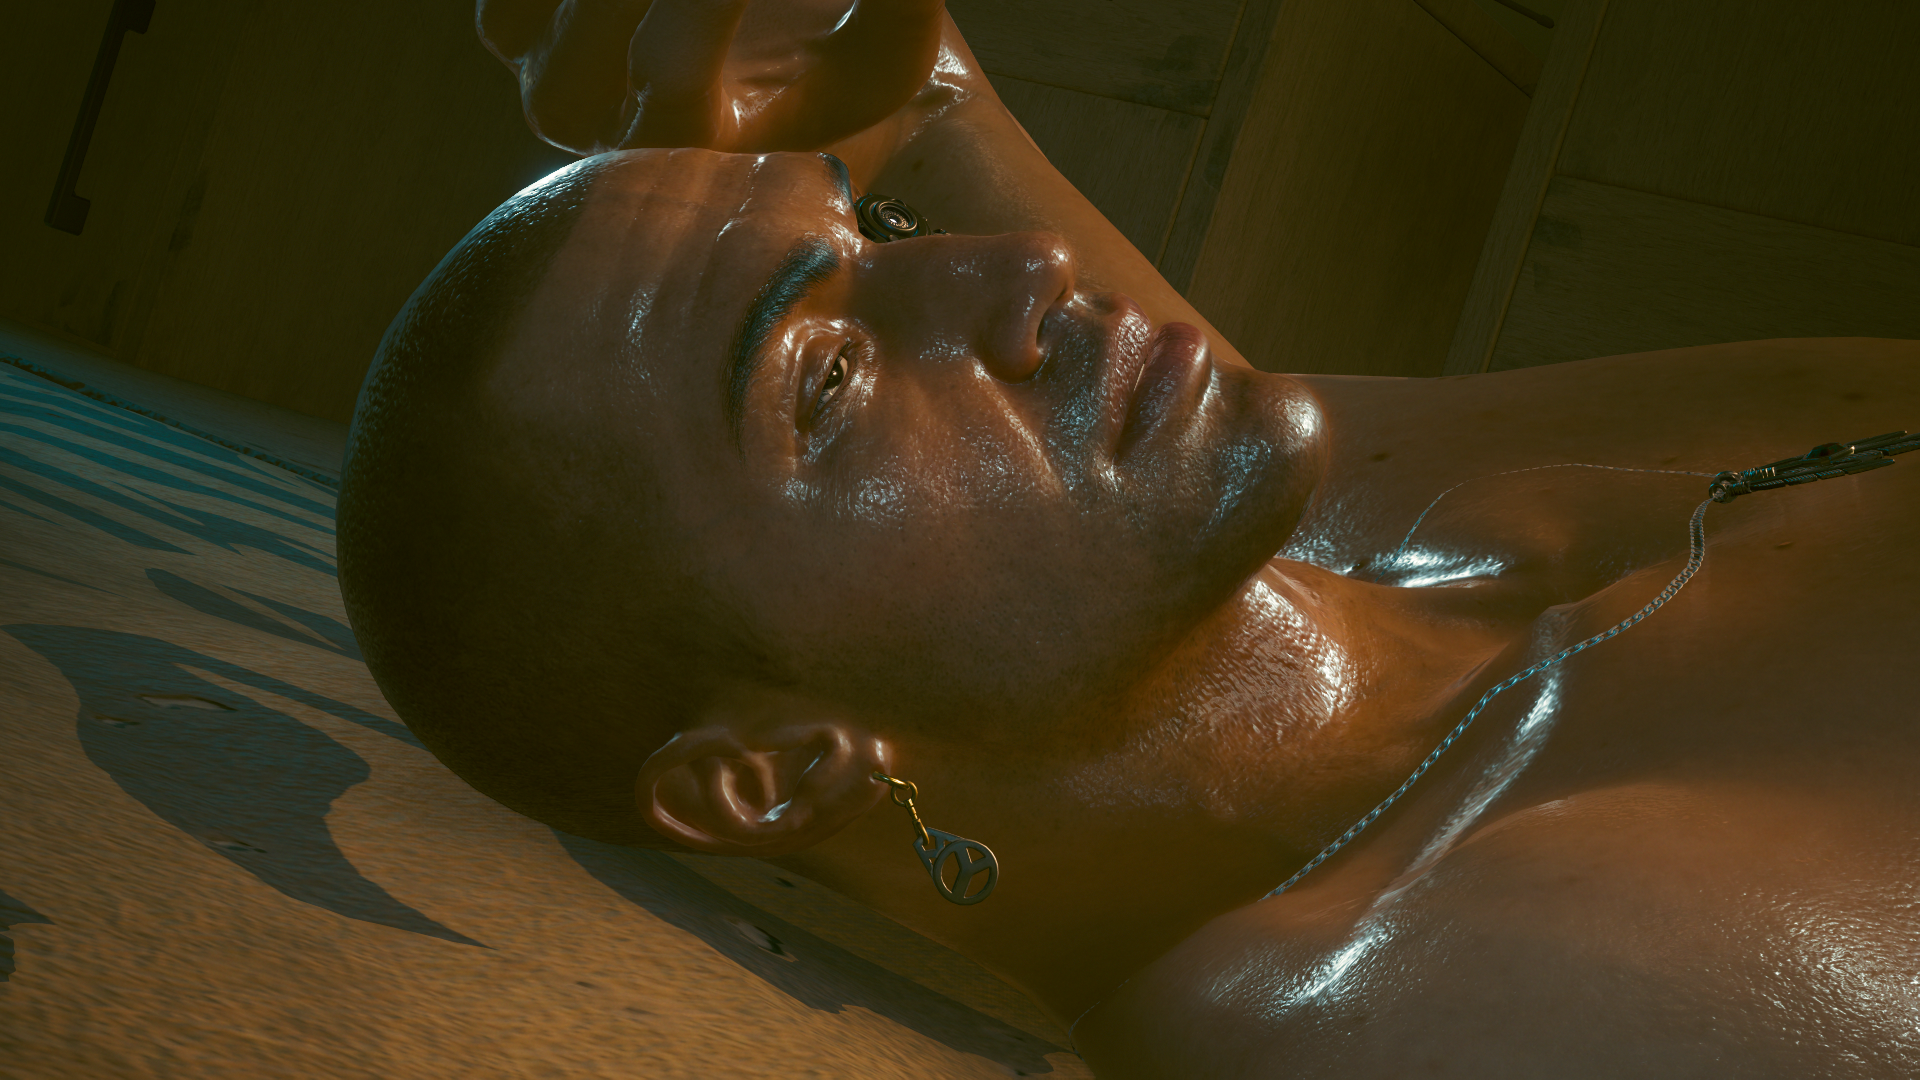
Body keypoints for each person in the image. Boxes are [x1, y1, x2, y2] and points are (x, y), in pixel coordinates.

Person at [336, 1, 1920, 1075]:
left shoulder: (1413, 542)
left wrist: (879, 72)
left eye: (878, 236)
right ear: (785, 766)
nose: (1018, 268)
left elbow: (940, 144)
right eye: (828, 380)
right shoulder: (1425, 992)